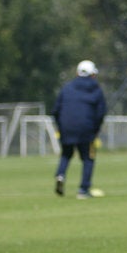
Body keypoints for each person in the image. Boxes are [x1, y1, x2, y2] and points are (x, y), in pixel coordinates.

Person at [52, 60, 107, 199]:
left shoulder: (67, 88)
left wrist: (61, 127)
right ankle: (83, 190)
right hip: (86, 129)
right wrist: (95, 130)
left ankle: (60, 175)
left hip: (66, 127)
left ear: (77, 73)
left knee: (66, 154)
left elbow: (56, 110)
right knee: (88, 158)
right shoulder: (96, 89)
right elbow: (100, 113)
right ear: (93, 74)